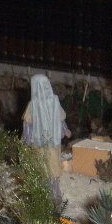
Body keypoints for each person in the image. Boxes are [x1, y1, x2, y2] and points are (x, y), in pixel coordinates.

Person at [22, 74, 70, 205]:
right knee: (43, 167)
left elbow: (28, 124)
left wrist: (65, 129)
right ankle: (44, 193)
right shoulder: (39, 104)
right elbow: (28, 124)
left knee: (50, 167)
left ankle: (53, 193)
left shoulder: (44, 103)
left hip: (48, 142)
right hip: (43, 143)